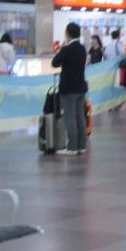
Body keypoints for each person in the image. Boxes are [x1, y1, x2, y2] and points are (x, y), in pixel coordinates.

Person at [50, 21, 87, 156]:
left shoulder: (67, 49)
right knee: (80, 116)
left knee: (69, 117)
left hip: (68, 88)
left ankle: (72, 147)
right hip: (81, 87)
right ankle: (81, 146)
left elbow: (54, 62)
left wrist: (62, 49)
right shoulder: (82, 48)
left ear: (67, 33)